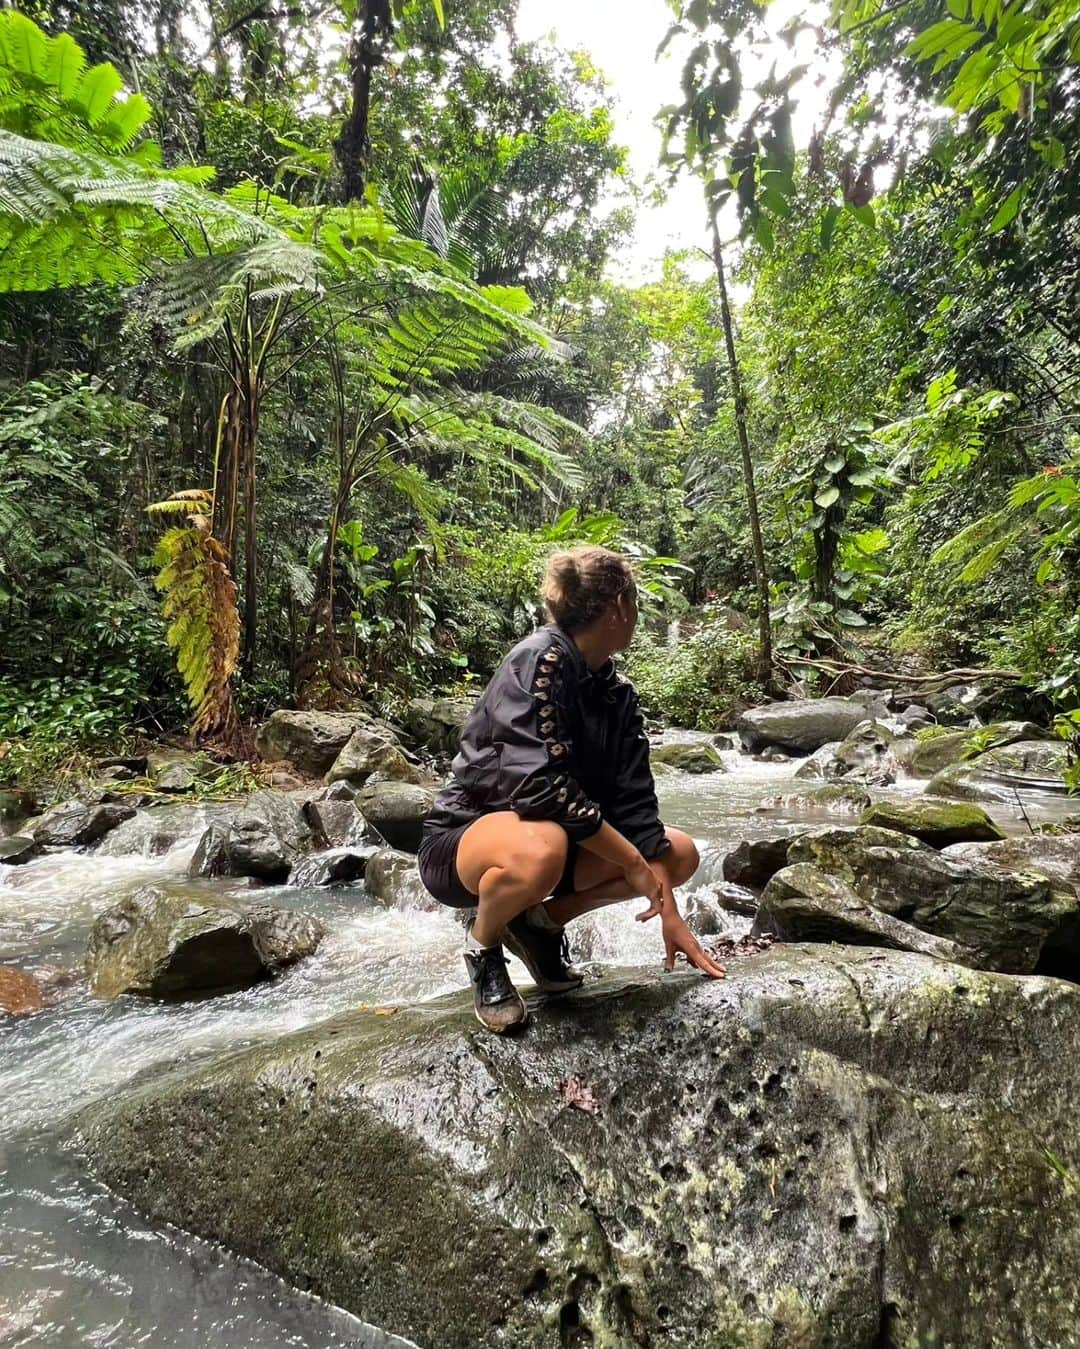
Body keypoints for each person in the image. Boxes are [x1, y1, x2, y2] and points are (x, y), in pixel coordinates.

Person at [418, 545, 725, 1033]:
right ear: (618, 607)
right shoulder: (536, 661)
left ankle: (539, 925)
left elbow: (637, 806)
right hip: (465, 846)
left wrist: (671, 914)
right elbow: (540, 790)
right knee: (547, 844)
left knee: (679, 854)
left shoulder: (616, 692)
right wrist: (630, 862)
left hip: (553, 851)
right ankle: (485, 947)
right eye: (636, 603)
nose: (638, 614)